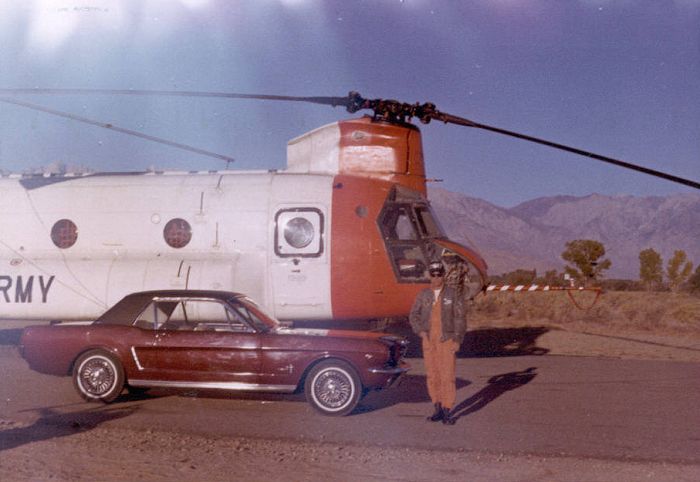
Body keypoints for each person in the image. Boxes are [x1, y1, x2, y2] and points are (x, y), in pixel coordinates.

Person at [409, 260, 466, 425]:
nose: (436, 278)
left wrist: (457, 339)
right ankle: (437, 409)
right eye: (433, 275)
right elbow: (413, 316)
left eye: (439, 274)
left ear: (443, 275)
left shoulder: (453, 294)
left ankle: (448, 411)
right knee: (432, 376)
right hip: (428, 341)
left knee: (447, 376)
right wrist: (421, 333)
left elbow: (460, 319)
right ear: (429, 275)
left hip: (447, 340)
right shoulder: (423, 295)